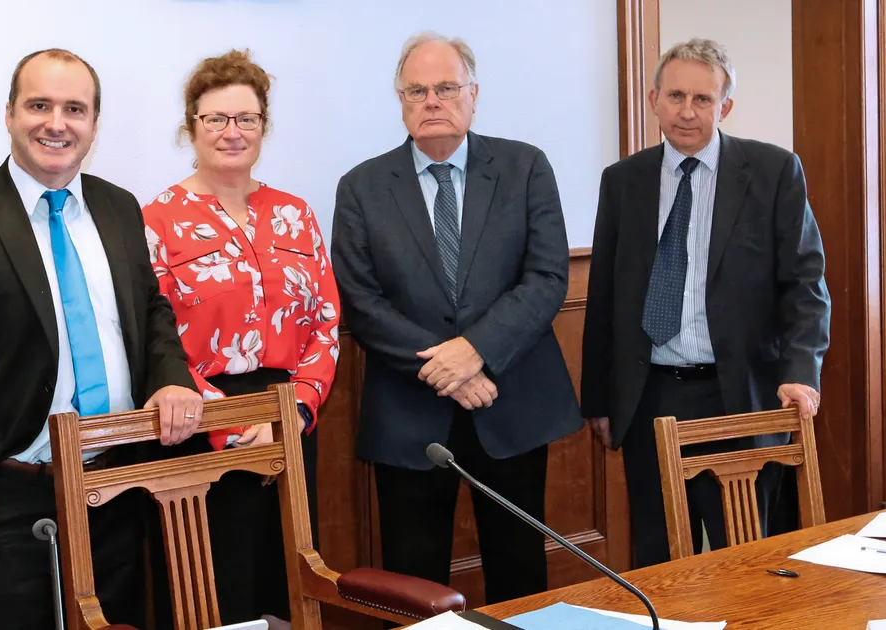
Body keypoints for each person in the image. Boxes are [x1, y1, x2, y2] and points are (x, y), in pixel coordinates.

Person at [0, 48, 203, 630]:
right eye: (39, 105)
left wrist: (170, 377)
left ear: (94, 126)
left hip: (113, 493)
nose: (56, 123)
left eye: (74, 109)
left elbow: (150, 313)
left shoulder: (119, 207)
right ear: (9, 113)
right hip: (3, 502)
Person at [331, 32, 582, 604]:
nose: (431, 101)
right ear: (399, 100)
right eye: (416, 90)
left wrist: (475, 352)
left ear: (473, 94)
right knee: (414, 583)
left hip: (511, 401)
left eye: (446, 87)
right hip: (409, 415)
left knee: (520, 569)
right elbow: (362, 301)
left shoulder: (525, 167)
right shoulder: (362, 188)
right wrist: (450, 368)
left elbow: (546, 278)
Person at [580, 38, 831, 568]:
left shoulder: (773, 172)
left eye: (702, 99)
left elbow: (805, 283)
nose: (687, 112)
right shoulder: (623, 181)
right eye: (675, 96)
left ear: (726, 106)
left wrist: (801, 372)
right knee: (656, 558)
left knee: (745, 557)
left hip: (738, 394)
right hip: (650, 397)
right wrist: (599, 400)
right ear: (653, 100)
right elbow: (603, 295)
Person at [141, 49, 340, 624]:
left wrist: (297, 410)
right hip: (200, 424)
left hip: (290, 418)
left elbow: (325, 321)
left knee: (292, 583)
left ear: (264, 125)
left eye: (246, 119)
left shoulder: (295, 213)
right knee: (218, 589)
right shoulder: (157, 219)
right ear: (191, 127)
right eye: (216, 119)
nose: (233, 132)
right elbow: (153, 337)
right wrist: (225, 424)